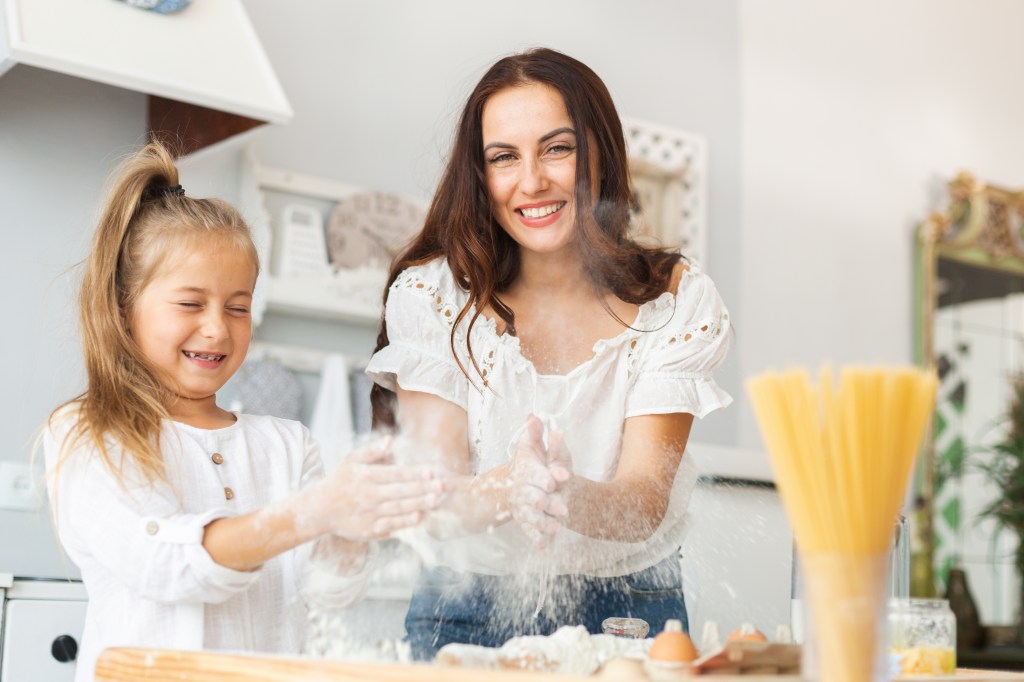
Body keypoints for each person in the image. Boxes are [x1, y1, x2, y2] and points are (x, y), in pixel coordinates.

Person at [365, 48, 732, 659]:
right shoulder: (433, 297)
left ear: (599, 155)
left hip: (635, 616)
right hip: (462, 613)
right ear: (480, 176)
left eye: (556, 148)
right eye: (503, 157)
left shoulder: (675, 298)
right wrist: (514, 486)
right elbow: (439, 499)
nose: (531, 181)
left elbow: (643, 502)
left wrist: (562, 493)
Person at [44, 141, 444, 682]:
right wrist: (312, 511)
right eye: (190, 304)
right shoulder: (88, 433)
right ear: (123, 309)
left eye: (238, 307)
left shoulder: (286, 444)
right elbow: (170, 565)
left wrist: (350, 525)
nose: (217, 328)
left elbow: (330, 591)